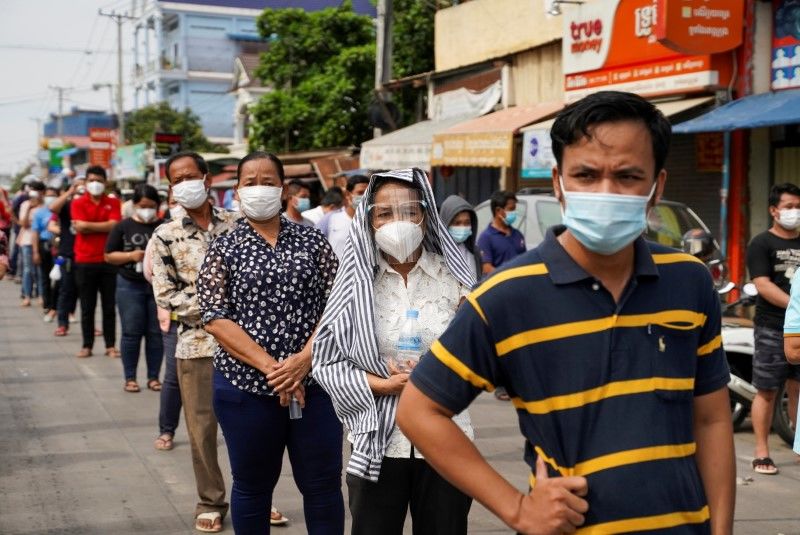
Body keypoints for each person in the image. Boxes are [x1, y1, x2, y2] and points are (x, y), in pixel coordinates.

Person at [397, 91, 735, 534]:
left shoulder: (689, 282)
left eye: (629, 176)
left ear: (658, 186)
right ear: (558, 183)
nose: (606, 191)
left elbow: (711, 418)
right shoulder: (508, 295)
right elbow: (418, 411)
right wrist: (517, 509)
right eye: (586, 175)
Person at [314, 168, 476, 534]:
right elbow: (325, 362)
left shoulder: (456, 279)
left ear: (425, 216)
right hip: (378, 441)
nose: (397, 222)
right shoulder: (355, 283)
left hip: (447, 436)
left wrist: (443, 372)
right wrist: (380, 384)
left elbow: (480, 353)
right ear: (369, 218)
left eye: (408, 211)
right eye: (384, 213)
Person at [198, 151, 343, 534]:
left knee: (323, 484)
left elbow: (340, 304)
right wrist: (274, 369)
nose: (259, 188)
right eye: (250, 182)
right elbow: (214, 316)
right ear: (236, 191)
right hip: (245, 389)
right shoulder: (223, 248)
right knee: (252, 486)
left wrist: (303, 362)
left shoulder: (313, 242)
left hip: (316, 385)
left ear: (283, 189)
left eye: (268, 181)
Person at [151, 151, 233, 533]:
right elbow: (166, 295)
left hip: (247, 346)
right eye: (176, 178)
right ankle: (211, 501)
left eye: (190, 175)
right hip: (196, 346)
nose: (184, 182)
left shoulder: (238, 225)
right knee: (202, 430)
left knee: (254, 426)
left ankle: (255, 496)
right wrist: (220, 308)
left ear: (207, 178)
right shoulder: (165, 236)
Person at [745, 182, 800, 475]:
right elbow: (762, 284)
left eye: (798, 206)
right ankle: (762, 452)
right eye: (789, 206)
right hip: (772, 328)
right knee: (767, 390)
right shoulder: (762, 244)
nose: (795, 212)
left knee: (798, 389)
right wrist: (797, 305)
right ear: (774, 210)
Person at [104, 184, 164, 393]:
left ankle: (153, 377)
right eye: (142, 205)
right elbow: (109, 255)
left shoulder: (164, 226)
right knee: (131, 332)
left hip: (157, 287)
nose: (147, 209)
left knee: (155, 333)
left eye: (151, 205)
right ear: (135, 205)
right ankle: (130, 377)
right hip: (129, 285)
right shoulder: (123, 226)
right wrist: (130, 256)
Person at [71, 166, 121, 359]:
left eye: (99, 180)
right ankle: (87, 345)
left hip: (108, 259)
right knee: (87, 307)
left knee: (109, 306)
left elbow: (114, 225)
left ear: (105, 182)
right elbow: (80, 228)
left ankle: (110, 345)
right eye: (91, 180)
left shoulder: (113, 202)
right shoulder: (78, 202)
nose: (95, 184)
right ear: (85, 182)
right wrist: (104, 226)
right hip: (84, 260)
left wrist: (88, 226)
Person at [49, 176, 85, 336]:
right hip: (68, 255)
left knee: (86, 294)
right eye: (79, 186)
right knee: (66, 291)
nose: (81, 189)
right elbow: (53, 207)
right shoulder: (67, 205)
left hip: (86, 256)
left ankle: (88, 325)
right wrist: (70, 191)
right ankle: (62, 323)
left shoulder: (89, 206)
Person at [316, 174, 369, 258]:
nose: (365, 196)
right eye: (360, 192)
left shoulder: (372, 221)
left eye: (367, 193)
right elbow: (315, 245)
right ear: (348, 194)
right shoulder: (331, 219)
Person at [477, 190, 526, 275]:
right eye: (511, 209)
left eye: (515, 209)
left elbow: (525, 261)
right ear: (498, 210)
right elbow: (486, 268)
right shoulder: (486, 238)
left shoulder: (518, 234)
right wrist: (507, 277)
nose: (514, 212)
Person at [31, 185, 59, 322]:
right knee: (45, 277)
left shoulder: (61, 211)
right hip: (44, 246)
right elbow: (35, 233)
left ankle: (57, 305)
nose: (50, 198)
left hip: (58, 247)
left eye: (53, 195)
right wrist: (35, 251)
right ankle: (48, 305)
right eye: (48, 195)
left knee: (59, 278)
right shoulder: (39, 213)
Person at [439, 195, 482, 280]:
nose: (462, 227)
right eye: (457, 223)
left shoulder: (474, 252)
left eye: (467, 222)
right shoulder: (436, 252)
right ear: (445, 223)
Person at [17, 181, 45, 307]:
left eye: (36, 190)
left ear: (42, 192)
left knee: (40, 270)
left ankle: (41, 295)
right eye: (31, 190)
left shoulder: (46, 205)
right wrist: (30, 208)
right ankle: (27, 296)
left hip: (42, 241)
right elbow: (24, 224)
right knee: (28, 269)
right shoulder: (25, 205)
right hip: (27, 241)